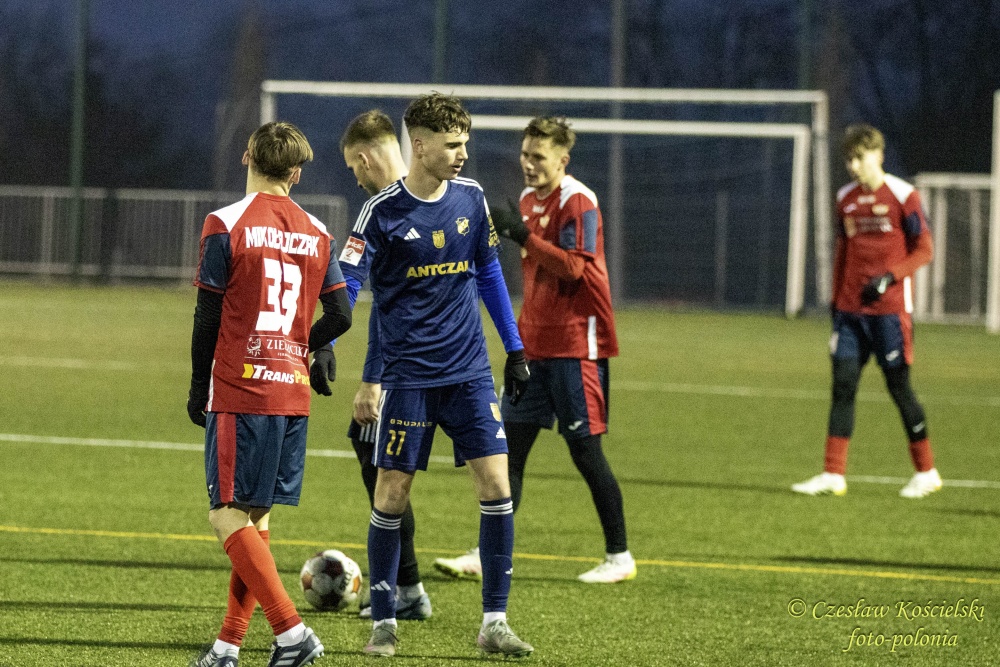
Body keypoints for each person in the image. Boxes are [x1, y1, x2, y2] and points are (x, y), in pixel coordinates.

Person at [336, 93, 533, 658]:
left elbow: (489, 274)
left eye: (464, 143)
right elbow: (349, 283)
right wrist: (326, 338)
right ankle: (385, 622)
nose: (463, 154)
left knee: (497, 488)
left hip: (469, 374)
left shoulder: (471, 198)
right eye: (452, 145)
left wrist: (515, 349)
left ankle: (494, 623)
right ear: (419, 146)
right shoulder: (381, 212)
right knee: (391, 491)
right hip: (409, 380)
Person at [436, 116, 636, 585]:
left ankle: (620, 556)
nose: (528, 163)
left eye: (538, 157)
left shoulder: (578, 200)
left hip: (577, 345)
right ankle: (487, 553)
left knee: (585, 452)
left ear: (562, 160)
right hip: (535, 345)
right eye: (525, 154)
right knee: (508, 452)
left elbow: (574, 269)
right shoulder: (527, 199)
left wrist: (522, 236)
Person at [186, 121, 352, 667]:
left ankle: (291, 632)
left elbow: (207, 316)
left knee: (224, 515)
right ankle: (227, 647)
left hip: (242, 388)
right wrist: (307, 345)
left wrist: (198, 384)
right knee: (254, 521)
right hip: (291, 391)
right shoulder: (319, 231)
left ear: (247, 157)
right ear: (297, 173)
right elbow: (342, 314)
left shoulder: (225, 224)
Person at [313, 109, 430, 621]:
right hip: (455, 362)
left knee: (385, 472)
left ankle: (408, 590)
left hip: (407, 369)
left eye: (352, 168)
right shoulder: (442, 196)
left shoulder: (379, 210)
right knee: (488, 479)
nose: (355, 178)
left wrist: (369, 378)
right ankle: (413, 588)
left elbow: (350, 285)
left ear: (363, 158)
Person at [792, 123, 941, 499]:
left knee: (898, 387)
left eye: (859, 158)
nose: (853, 166)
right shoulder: (845, 198)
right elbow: (843, 251)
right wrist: (835, 301)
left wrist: (890, 277)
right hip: (849, 313)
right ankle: (833, 474)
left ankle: (926, 472)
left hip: (890, 313)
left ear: (878, 154)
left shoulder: (904, 195)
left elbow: (925, 250)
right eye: (849, 159)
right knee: (842, 386)